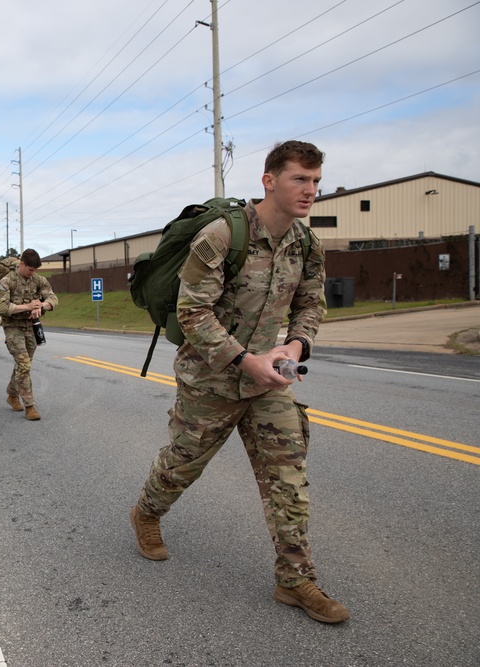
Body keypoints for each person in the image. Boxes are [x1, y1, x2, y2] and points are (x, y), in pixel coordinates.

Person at [129, 140, 350, 624]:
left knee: (288, 480)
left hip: (269, 382)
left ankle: (295, 581)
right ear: (269, 180)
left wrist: (295, 347)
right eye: (299, 179)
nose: (310, 190)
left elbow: (311, 305)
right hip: (210, 381)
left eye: (316, 181)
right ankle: (147, 512)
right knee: (182, 467)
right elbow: (192, 312)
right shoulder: (222, 235)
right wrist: (244, 360)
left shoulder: (307, 243)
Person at [0, 248, 59, 421]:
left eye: (35, 270)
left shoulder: (38, 280)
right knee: (23, 364)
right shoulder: (7, 281)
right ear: (22, 264)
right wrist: (27, 307)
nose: (32, 273)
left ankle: (12, 394)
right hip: (12, 326)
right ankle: (30, 406)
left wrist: (41, 306)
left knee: (24, 364)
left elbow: (53, 298)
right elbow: (2, 307)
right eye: (30, 269)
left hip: (31, 326)